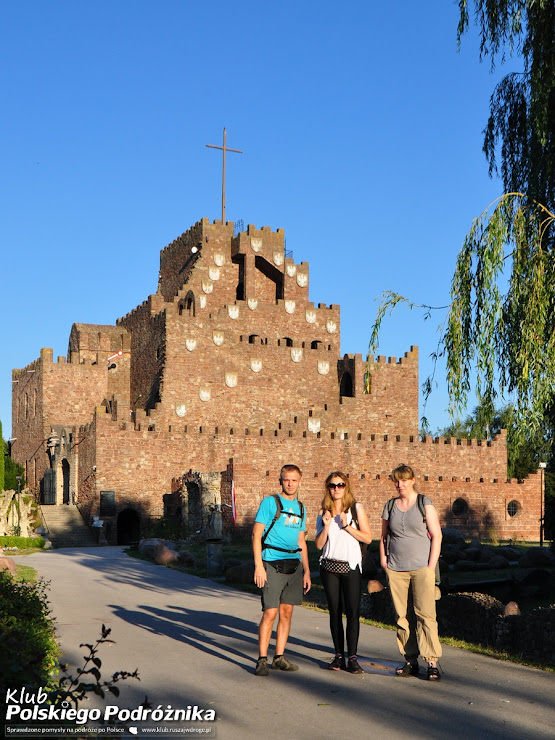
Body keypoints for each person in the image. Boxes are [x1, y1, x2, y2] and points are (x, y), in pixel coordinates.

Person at [379, 464, 443, 680]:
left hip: (422, 568)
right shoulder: (390, 505)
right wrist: (384, 561)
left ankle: (432, 660)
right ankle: (410, 659)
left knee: (425, 614)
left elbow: (437, 535)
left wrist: (431, 566)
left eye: (404, 480)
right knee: (402, 616)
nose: (400, 484)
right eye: (397, 481)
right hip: (396, 569)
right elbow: (383, 536)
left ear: (413, 480)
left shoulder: (425, 503)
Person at [252, 464, 311, 676]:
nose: (290, 483)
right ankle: (262, 659)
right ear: (281, 481)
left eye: (294, 480)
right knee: (270, 612)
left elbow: (302, 541)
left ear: (299, 481)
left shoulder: (302, 508)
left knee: (287, 612)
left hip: (294, 565)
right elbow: (256, 534)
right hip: (272, 562)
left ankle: (279, 656)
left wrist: (307, 570)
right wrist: (259, 565)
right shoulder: (270, 503)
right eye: (287, 479)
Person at [315, 471, 372, 674]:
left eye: (340, 485)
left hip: (351, 567)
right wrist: (326, 525)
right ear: (327, 488)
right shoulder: (324, 512)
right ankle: (339, 655)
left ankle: (353, 657)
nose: (336, 488)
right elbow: (319, 544)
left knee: (353, 612)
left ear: (346, 487)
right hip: (329, 567)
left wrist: (347, 526)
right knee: (335, 612)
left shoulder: (356, 509)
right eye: (332, 485)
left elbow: (367, 538)